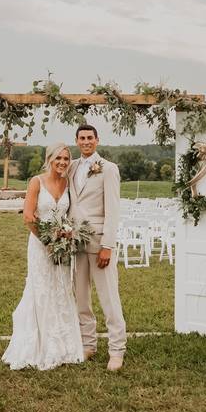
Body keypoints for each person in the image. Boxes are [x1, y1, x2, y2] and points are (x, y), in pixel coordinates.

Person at [2, 142, 84, 370]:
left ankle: (63, 344)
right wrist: (48, 241)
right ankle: (38, 346)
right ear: (49, 159)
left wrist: (66, 235)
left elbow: (70, 214)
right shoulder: (36, 182)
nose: (62, 163)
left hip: (62, 247)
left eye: (66, 159)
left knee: (61, 288)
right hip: (40, 245)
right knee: (41, 289)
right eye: (58, 158)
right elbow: (28, 217)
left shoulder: (68, 183)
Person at [68, 124, 127, 371]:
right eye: (81, 138)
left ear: (97, 140)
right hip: (75, 242)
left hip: (99, 241)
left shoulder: (109, 169)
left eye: (90, 138)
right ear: (77, 140)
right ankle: (88, 343)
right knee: (81, 297)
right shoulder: (70, 167)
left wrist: (108, 246)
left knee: (108, 298)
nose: (85, 142)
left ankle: (117, 350)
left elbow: (113, 210)